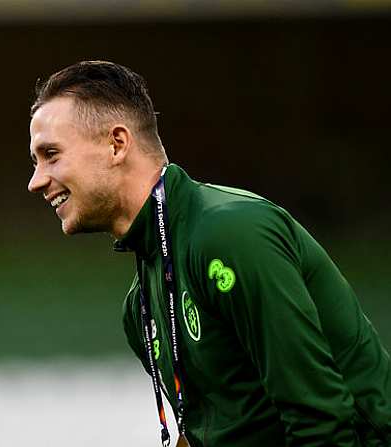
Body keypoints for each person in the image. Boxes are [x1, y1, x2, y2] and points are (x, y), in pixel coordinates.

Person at [27, 60, 391, 446]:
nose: (36, 181)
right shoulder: (140, 307)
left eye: (51, 154)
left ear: (117, 144)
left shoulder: (231, 233)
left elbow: (321, 422)